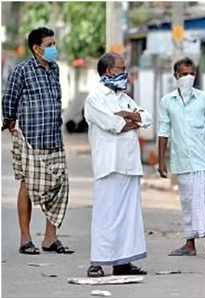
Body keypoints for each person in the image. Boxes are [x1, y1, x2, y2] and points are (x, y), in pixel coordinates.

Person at [2, 27, 73, 255]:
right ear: (36, 48)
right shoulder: (22, 70)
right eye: (49, 45)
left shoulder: (55, 69)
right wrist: (10, 121)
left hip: (54, 138)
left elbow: (57, 98)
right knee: (28, 185)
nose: (53, 48)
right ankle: (25, 238)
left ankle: (51, 238)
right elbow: (9, 98)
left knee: (60, 186)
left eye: (54, 44)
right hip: (30, 139)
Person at [84, 52, 151, 277]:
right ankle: (98, 262)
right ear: (108, 71)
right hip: (108, 165)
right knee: (106, 215)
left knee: (129, 216)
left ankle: (123, 262)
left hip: (129, 164)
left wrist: (129, 115)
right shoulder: (95, 98)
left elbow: (147, 118)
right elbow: (115, 124)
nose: (125, 72)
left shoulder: (124, 97)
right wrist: (130, 119)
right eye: (121, 68)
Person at [158, 57, 205, 257]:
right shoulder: (167, 101)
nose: (188, 77)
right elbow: (163, 131)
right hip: (182, 159)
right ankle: (190, 244)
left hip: (203, 157)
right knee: (187, 201)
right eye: (184, 74)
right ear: (175, 76)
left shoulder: (204, 99)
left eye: (191, 73)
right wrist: (161, 161)